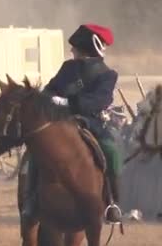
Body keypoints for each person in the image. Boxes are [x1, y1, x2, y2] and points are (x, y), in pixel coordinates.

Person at [22, 24, 122, 223]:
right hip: (59, 121)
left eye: (75, 47)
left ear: (87, 46)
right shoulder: (68, 68)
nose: (72, 50)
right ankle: (32, 199)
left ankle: (112, 203)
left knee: (112, 152)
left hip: (89, 122)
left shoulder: (107, 75)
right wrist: (48, 99)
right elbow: (51, 88)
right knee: (35, 151)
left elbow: (100, 100)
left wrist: (70, 102)